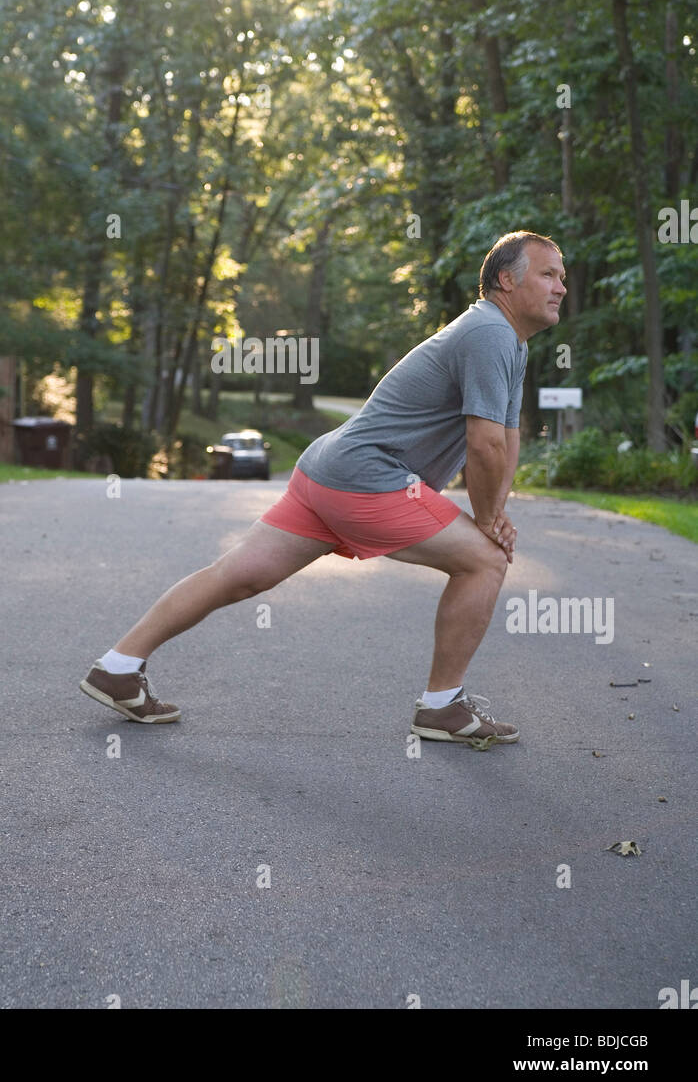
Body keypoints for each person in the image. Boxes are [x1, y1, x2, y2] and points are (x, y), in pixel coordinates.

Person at [80, 230, 566, 746]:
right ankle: (442, 707)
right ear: (506, 280)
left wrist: (497, 513)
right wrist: (490, 524)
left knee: (239, 575)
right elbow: (484, 444)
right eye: (548, 274)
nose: (560, 287)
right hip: (366, 476)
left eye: (562, 277)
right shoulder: (488, 332)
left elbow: (506, 440)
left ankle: (117, 666)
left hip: (328, 472)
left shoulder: (508, 343)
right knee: (485, 561)